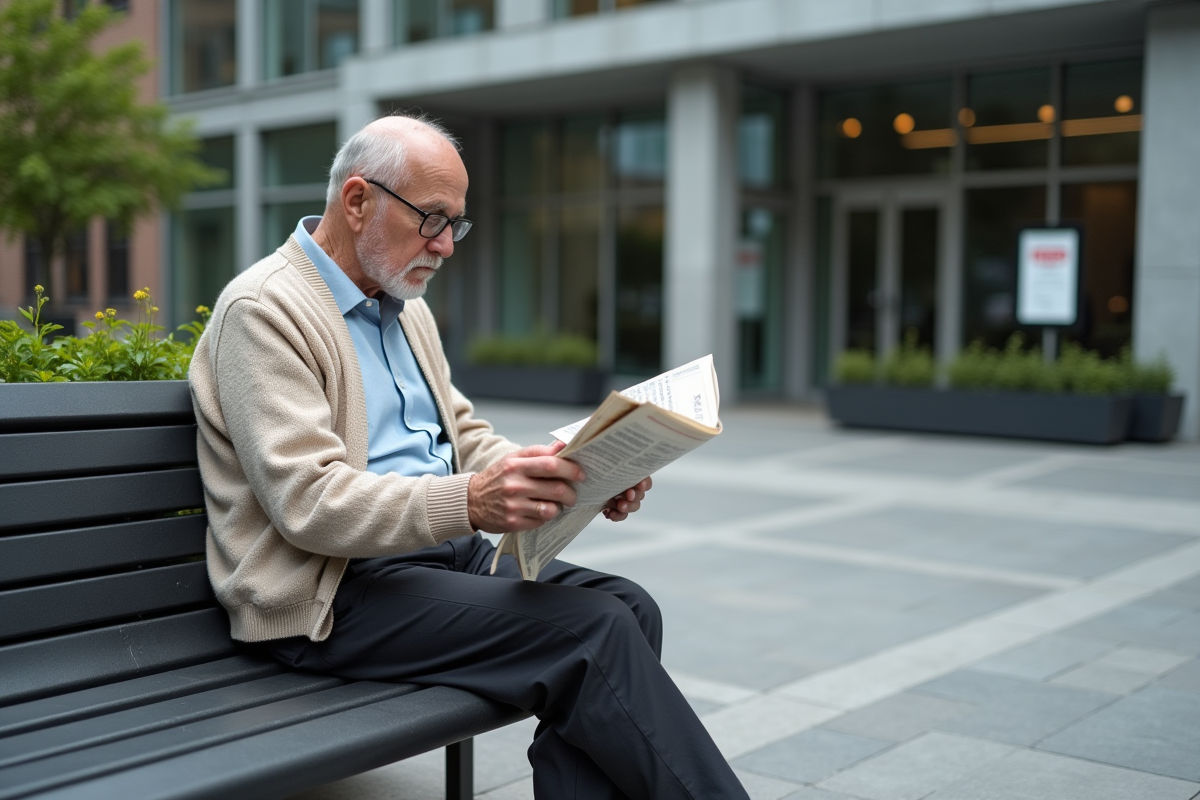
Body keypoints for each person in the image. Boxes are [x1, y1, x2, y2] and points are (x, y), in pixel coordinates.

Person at [188, 113, 749, 800]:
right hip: (328, 596)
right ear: (357, 201)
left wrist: (573, 469)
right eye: (432, 218)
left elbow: (462, 434)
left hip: (435, 563)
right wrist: (474, 501)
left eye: (457, 223)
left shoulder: (405, 307)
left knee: (629, 607)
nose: (447, 245)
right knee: (592, 632)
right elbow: (308, 502)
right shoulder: (264, 310)